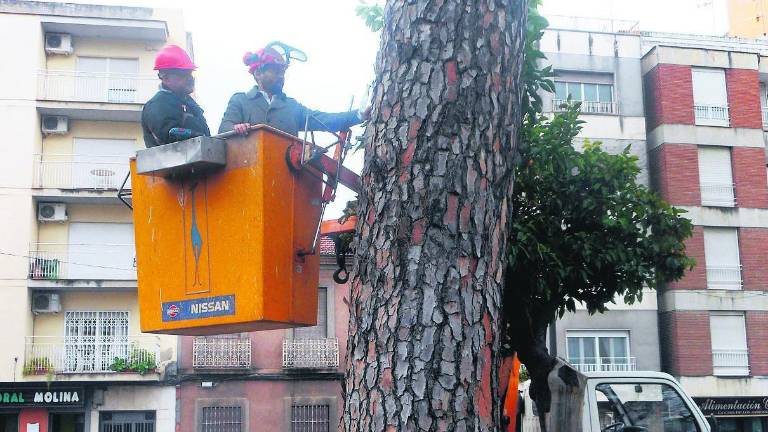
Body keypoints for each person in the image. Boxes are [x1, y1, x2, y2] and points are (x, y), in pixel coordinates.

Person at [219, 46, 369, 136]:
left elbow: (323, 120)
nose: (281, 76)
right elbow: (224, 129)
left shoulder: (291, 106)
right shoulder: (241, 100)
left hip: (285, 181)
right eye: (276, 71)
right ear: (258, 73)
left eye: (282, 72)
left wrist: (359, 115)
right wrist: (235, 128)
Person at [142, 45, 210, 148]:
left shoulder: (190, 104)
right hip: (172, 163)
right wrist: (196, 136)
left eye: (190, 73)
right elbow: (168, 134)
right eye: (183, 74)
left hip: (197, 161)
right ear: (166, 78)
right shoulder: (157, 105)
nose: (190, 78)